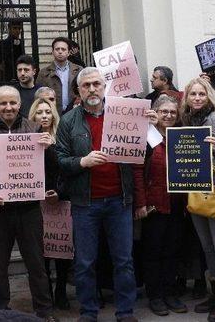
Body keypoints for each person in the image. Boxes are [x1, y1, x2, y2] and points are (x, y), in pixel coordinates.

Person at [55, 67, 146, 322]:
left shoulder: (124, 114)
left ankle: (125, 312)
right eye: (86, 86)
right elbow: (60, 159)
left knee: (124, 260)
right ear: (79, 90)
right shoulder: (68, 120)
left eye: (96, 84)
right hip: (85, 203)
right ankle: (88, 312)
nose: (92, 89)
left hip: (119, 200)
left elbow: (142, 153)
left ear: (105, 87)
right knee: (85, 263)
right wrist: (82, 161)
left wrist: (148, 124)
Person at [0, 86, 58, 321]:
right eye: (3, 103)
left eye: (12, 103)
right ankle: (0, 310)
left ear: (20, 104)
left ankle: (44, 310)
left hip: (29, 208)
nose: (8, 107)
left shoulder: (35, 129)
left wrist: (49, 148)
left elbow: (52, 167)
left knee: (36, 263)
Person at [180, 77, 215, 322]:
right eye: (193, 94)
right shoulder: (188, 120)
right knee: (208, 247)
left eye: (202, 94)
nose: (198, 98)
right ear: (187, 98)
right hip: (194, 188)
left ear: (209, 96)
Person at [140, 95, 187, 317]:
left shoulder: (182, 138)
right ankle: (155, 296)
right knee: (153, 252)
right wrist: (141, 202)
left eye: (172, 113)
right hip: (154, 206)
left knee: (173, 250)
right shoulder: (146, 137)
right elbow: (138, 172)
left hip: (177, 205)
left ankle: (170, 293)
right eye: (164, 112)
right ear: (155, 113)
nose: (168, 116)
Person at [28, 97, 70, 310]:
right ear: (33, 116)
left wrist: (59, 193)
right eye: (39, 112)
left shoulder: (62, 137)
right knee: (41, 252)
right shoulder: (26, 139)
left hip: (60, 200)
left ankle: (61, 291)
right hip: (36, 202)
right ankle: (45, 295)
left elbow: (66, 170)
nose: (44, 116)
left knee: (62, 250)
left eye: (47, 111)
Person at [36, 37, 83, 114]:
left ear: (68, 52)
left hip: (75, 113)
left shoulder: (79, 70)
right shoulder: (43, 73)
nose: (60, 52)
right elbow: (39, 96)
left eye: (63, 49)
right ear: (52, 52)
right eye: (57, 49)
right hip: (52, 114)